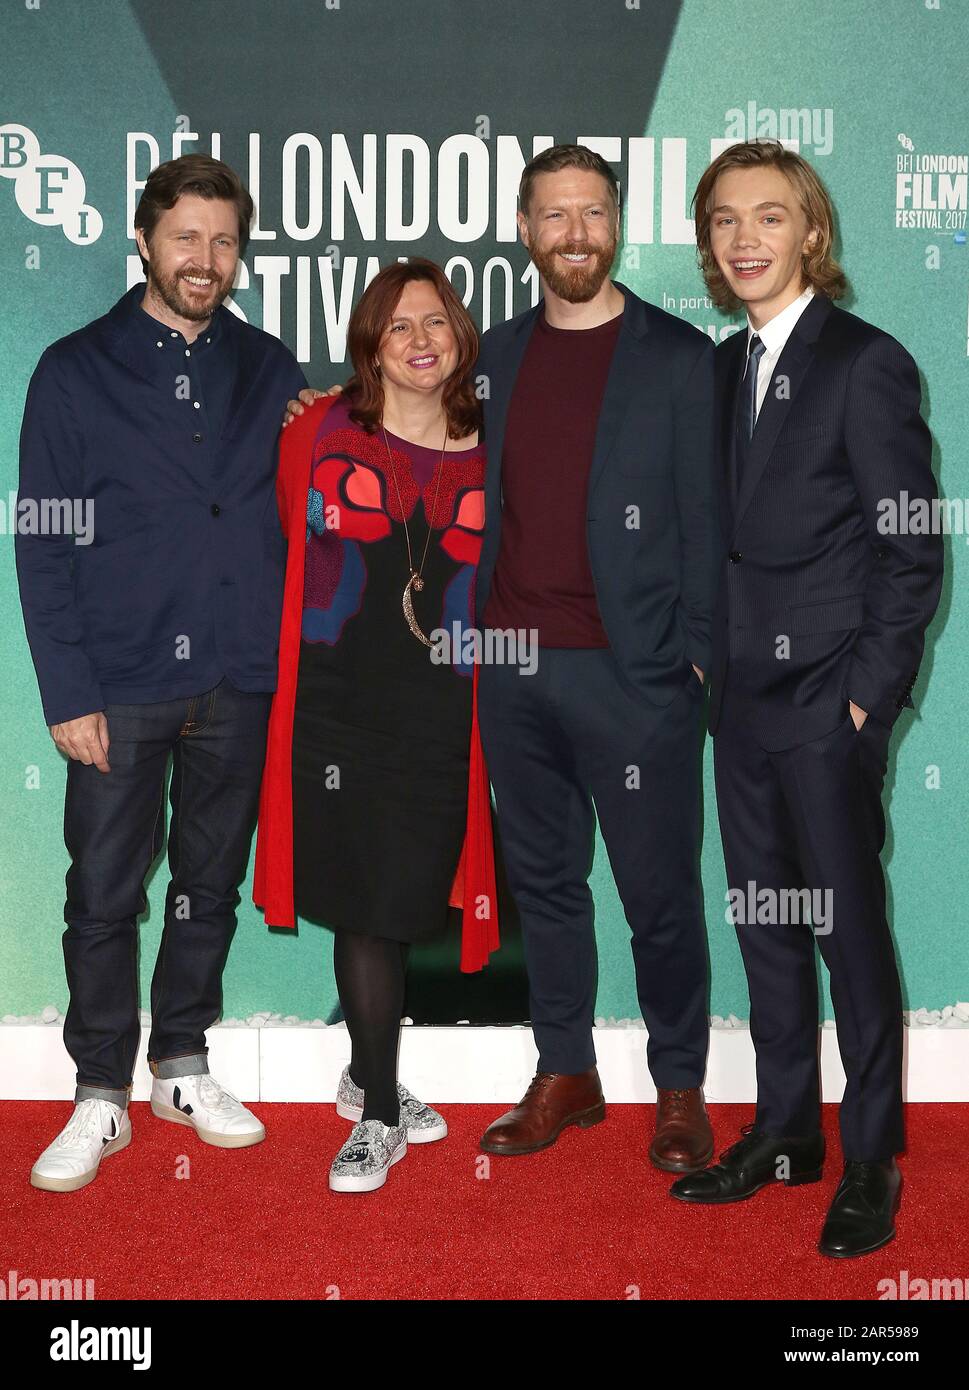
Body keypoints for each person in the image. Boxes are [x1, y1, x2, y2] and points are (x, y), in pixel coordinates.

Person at [287, 146, 719, 1175]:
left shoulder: (679, 357)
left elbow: (710, 521)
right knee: (547, 885)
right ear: (524, 230)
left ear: (617, 223)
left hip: (636, 674)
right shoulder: (502, 360)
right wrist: (319, 410)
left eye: (593, 212)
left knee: (660, 893)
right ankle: (564, 1070)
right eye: (554, 214)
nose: (575, 231)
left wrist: (698, 662)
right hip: (515, 676)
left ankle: (680, 1087)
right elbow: (402, 428)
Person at [670, 140, 943, 1258]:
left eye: (769, 218)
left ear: (810, 234)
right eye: (726, 221)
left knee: (847, 932)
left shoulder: (866, 363)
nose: (746, 239)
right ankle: (787, 1130)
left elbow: (912, 547)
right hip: (736, 705)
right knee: (767, 928)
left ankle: (871, 1152)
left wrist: (868, 704)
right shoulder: (719, 370)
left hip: (830, 704)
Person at [17, 154, 307, 1192]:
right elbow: (40, 540)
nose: (207, 259)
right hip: (120, 683)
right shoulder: (72, 367)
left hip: (238, 675)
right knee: (101, 894)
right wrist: (68, 691)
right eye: (187, 236)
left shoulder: (272, 369)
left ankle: (181, 1060)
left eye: (225, 240)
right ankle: (101, 1091)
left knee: (207, 886)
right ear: (142, 239)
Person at [254, 259, 501, 1193]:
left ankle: (367, 1070)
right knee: (363, 898)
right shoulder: (317, 430)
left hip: (445, 711)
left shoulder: (493, 443)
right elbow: (290, 534)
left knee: (404, 895)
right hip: (334, 710)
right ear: (370, 346)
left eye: (435, 321)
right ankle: (382, 1115)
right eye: (397, 327)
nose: (420, 340)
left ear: (460, 336)